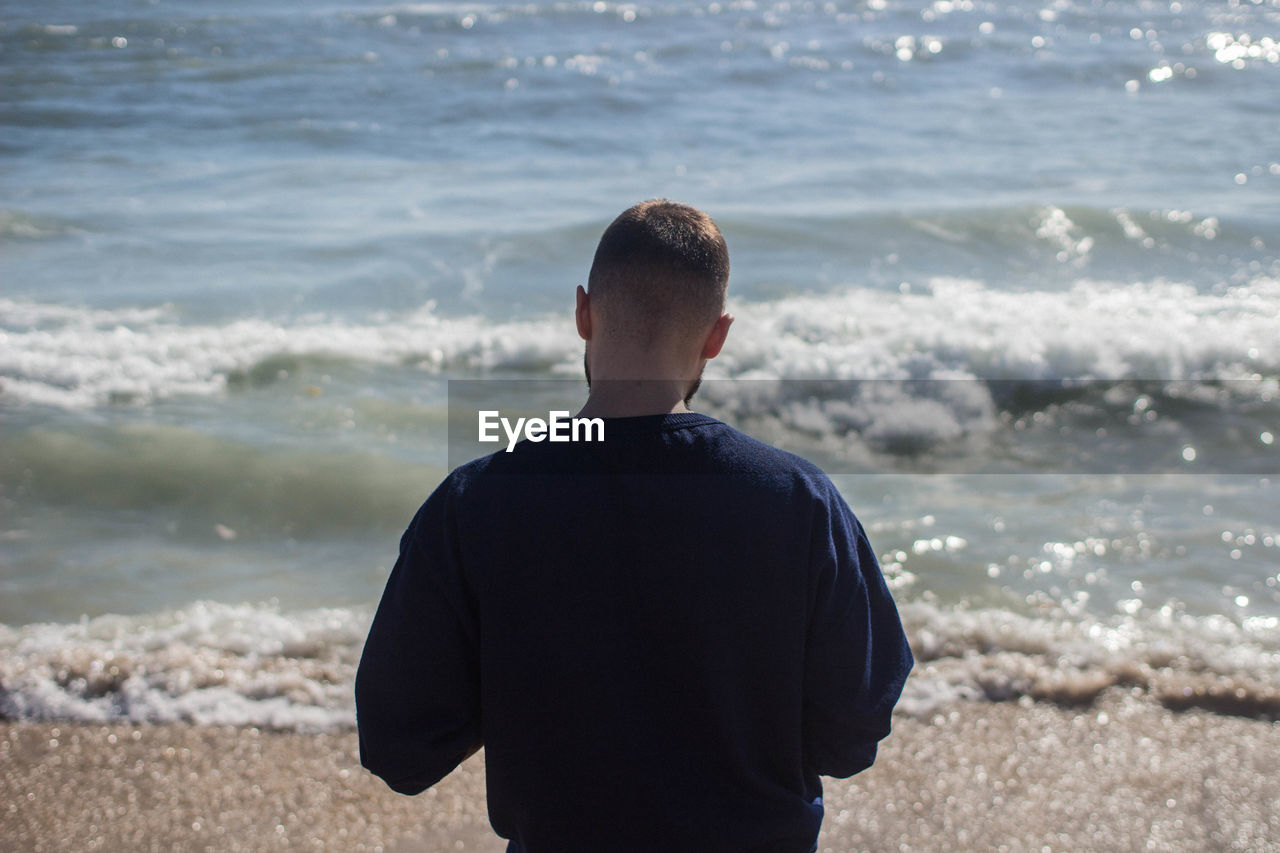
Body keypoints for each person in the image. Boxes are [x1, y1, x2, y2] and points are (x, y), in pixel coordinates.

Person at [355, 200, 913, 853]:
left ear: (583, 312)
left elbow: (399, 746)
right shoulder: (799, 499)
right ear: (717, 335)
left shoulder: (475, 501)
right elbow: (850, 736)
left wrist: (522, 678)